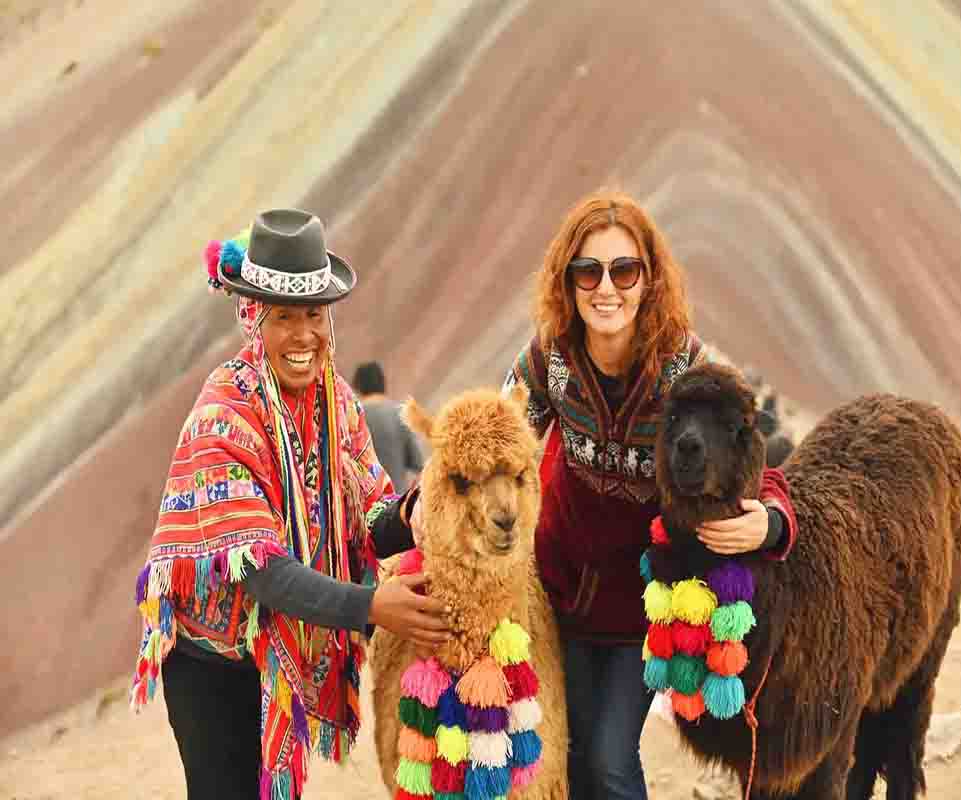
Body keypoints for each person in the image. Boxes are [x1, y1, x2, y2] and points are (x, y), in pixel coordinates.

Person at [130, 209, 448, 800]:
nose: (304, 335)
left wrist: (417, 512)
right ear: (254, 319)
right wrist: (373, 606)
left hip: (275, 659)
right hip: (211, 665)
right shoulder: (223, 415)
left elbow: (371, 518)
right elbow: (264, 570)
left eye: (314, 314)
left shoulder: (337, 403)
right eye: (284, 317)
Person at [499, 190, 799, 799]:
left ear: (648, 280)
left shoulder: (684, 368)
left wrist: (772, 521)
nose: (605, 288)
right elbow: (496, 442)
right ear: (568, 282)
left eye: (623, 270)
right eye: (588, 270)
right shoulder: (548, 359)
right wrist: (427, 504)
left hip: (642, 602)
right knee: (578, 760)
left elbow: (748, 446)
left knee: (610, 759)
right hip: (559, 592)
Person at [352, 361, 424, 490]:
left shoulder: (351, 418)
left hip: (364, 505)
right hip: (397, 503)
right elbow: (419, 463)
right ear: (383, 383)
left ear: (357, 387)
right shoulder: (399, 414)